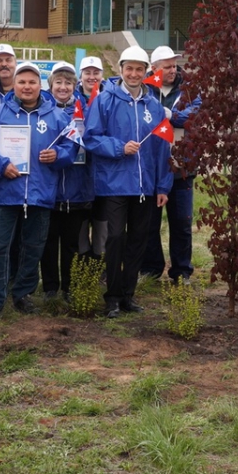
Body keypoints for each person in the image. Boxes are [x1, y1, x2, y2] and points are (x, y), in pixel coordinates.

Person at [0, 62, 75, 316]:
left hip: (40, 194)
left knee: (33, 247)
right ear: (15, 85)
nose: (27, 87)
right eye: (22, 82)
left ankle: (23, 293)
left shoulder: (58, 116)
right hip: (3, 193)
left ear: (40, 86)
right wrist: (1, 165)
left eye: (32, 82)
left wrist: (58, 155)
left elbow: (72, 147)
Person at [83, 46, 172, 319]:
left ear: (146, 72)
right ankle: (111, 296)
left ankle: (128, 295)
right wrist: (120, 147)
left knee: (137, 240)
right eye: (129, 68)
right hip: (114, 184)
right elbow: (91, 138)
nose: (134, 74)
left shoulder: (154, 106)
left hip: (145, 186)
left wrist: (162, 186)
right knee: (115, 239)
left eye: (139, 69)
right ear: (120, 70)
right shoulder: (104, 100)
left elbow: (161, 149)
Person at [140, 45, 200, 285]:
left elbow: (195, 115)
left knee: (182, 223)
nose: (172, 70)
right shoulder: (145, 89)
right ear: (154, 69)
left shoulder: (189, 90)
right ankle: (151, 268)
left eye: (174, 66)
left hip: (182, 166)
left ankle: (182, 270)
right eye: (166, 67)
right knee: (149, 223)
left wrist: (171, 115)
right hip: (151, 167)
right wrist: (158, 113)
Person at [40, 62, 93, 301]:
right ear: (51, 86)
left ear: (75, 85)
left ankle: (70, 288)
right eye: (58, 82)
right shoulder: (42, 112)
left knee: (73, 243)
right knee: (48, 243)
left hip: (77, 189)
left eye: (68, 83)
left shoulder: (86, 112)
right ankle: (50, 287)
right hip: (49, 190)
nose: (63, 87)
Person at [76, 55, 107, 259]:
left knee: (102, 219)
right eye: (88, 72)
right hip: (77, 168)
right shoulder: (72, 99)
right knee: (80, 219)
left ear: (102, 76)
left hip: (104, 167)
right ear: (81, 76)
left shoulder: (109, 99)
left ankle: (100, 260)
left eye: (96, 73)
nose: (92, 77)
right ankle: (82, 260)